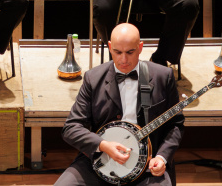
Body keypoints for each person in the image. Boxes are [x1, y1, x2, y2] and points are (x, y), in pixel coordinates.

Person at [56, 23, 184, 186]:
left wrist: (162, 157)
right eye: (117, 52)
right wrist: (103, 145)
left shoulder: (162, 76)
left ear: (140, 47)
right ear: (110, 47)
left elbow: (175, 125)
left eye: (130, 52)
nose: (123, 60)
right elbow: (71, 127)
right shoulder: (93, 79)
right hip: (101, 160)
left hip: (147, 167)